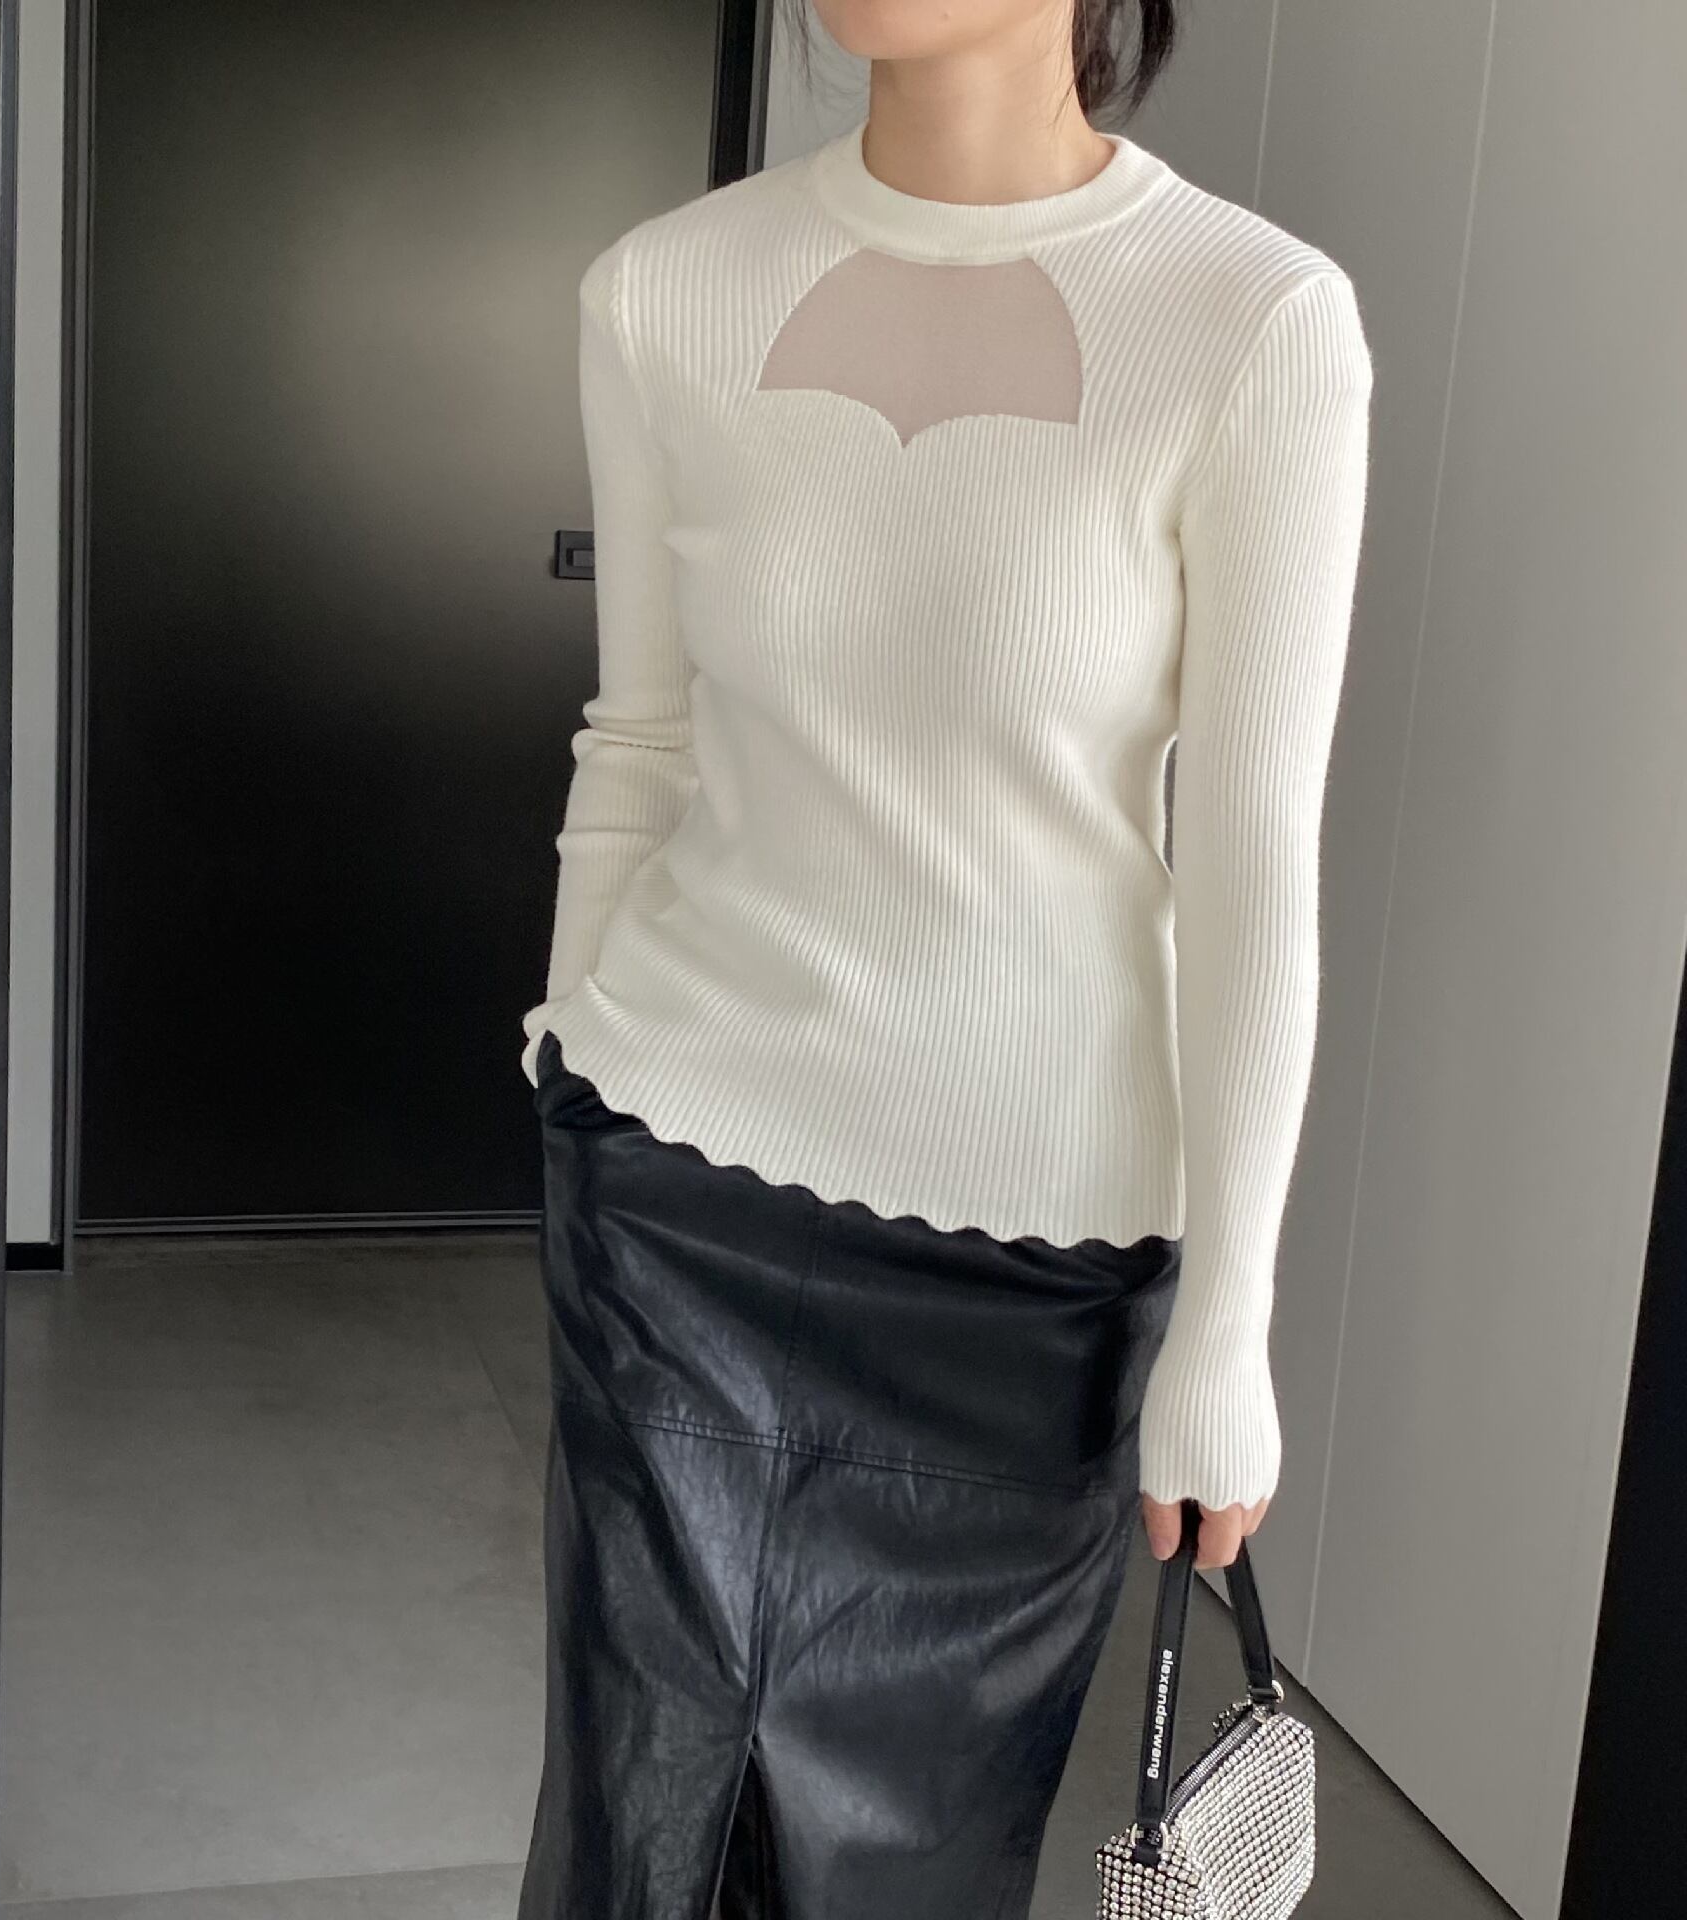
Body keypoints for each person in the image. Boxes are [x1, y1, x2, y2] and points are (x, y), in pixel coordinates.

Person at [516, 2, 1374, 1914]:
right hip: (673, 1193)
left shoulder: (1251, 321)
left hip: (1032, 1264)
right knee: (636, 1842)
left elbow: (1252, 860)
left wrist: (1228, 1325)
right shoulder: (664, 293)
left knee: (905, 1869)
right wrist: (564, 1055)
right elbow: (639, 740)